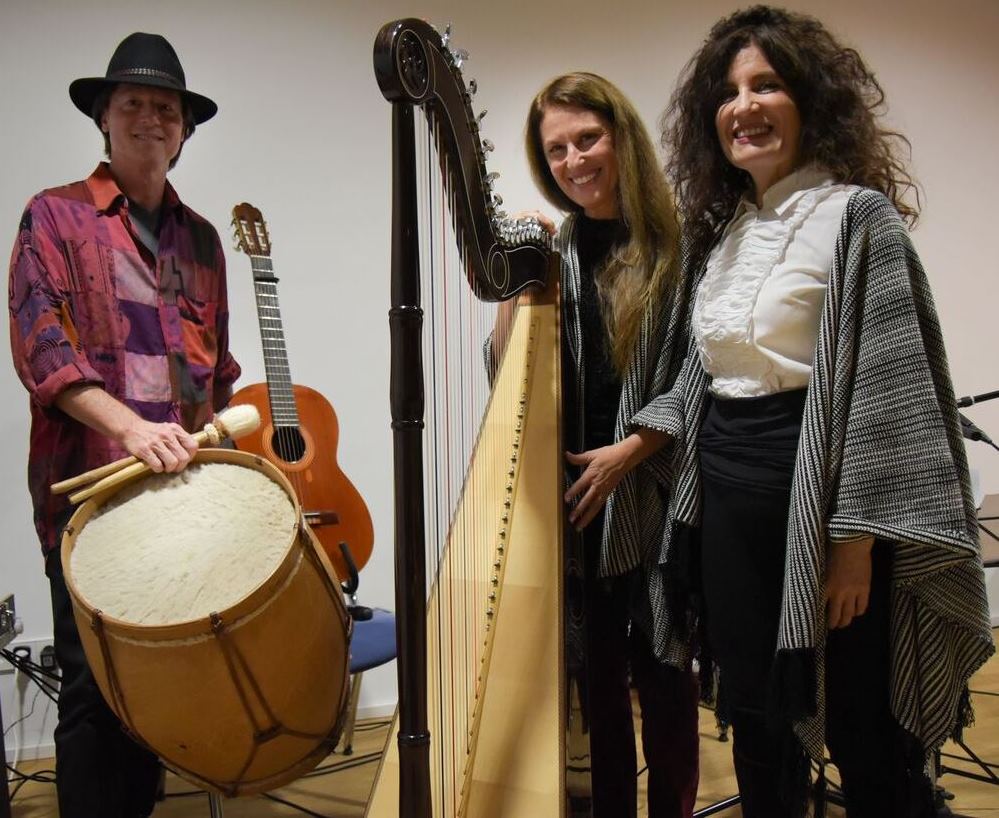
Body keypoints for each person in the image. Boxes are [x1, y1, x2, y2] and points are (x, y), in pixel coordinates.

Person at [657, 6, 994, 817]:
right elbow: (697, 374)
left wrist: (851, 543)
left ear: (808, 100)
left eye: (766, 84)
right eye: (729, 91)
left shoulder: (855, 219)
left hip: (826, 502)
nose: (744, 106)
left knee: (859, 728)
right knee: (754, 713)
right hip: (728, 500)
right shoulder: (721, 236)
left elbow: (892, 394)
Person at [8, 32, 240, 817]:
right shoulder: (55, 216)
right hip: (89, 504)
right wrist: (134, 431)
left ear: (184, 130)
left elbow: (213, 377)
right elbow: (45, 350)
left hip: (176, 505)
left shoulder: (204, 240)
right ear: (104, 119)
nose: (151, 118)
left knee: (157, 690)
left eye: (166, 108)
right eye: (133, 103)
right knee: (92, 694)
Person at [491, 72, 699, 818]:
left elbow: (699, 374)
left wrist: (632, 449)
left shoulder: (678, 245)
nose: (574, 160)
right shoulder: (562, 250)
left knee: (666, 684)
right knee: (601, 690)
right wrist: (520, 278)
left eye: (587, 139)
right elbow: (504, 371)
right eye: (555, 150)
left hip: (650, 499)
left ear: (621, 138)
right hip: (579, 504)